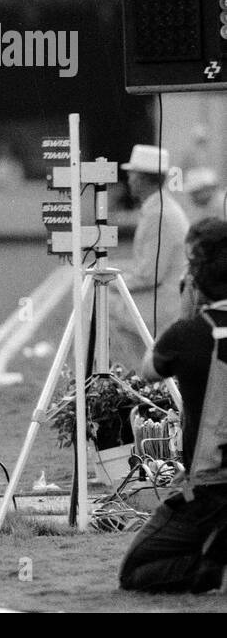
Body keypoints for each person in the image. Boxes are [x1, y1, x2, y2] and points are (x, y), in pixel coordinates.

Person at [121, 220, 227, 593]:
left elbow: (149, 370)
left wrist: (187, 311)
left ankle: (211, 565)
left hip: (210, 488)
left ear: (196, 279)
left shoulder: (187, 334)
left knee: (135, 572)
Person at [110, 144, 191, 370]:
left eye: (132, 174)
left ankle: (144, 372)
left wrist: (113, 284)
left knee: (100, 305)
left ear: (143, 179)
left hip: (164, 304)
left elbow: (149, 275)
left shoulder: (159, 214)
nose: (128, 179)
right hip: (166, 298)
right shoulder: (160, 208)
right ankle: (145, 370)